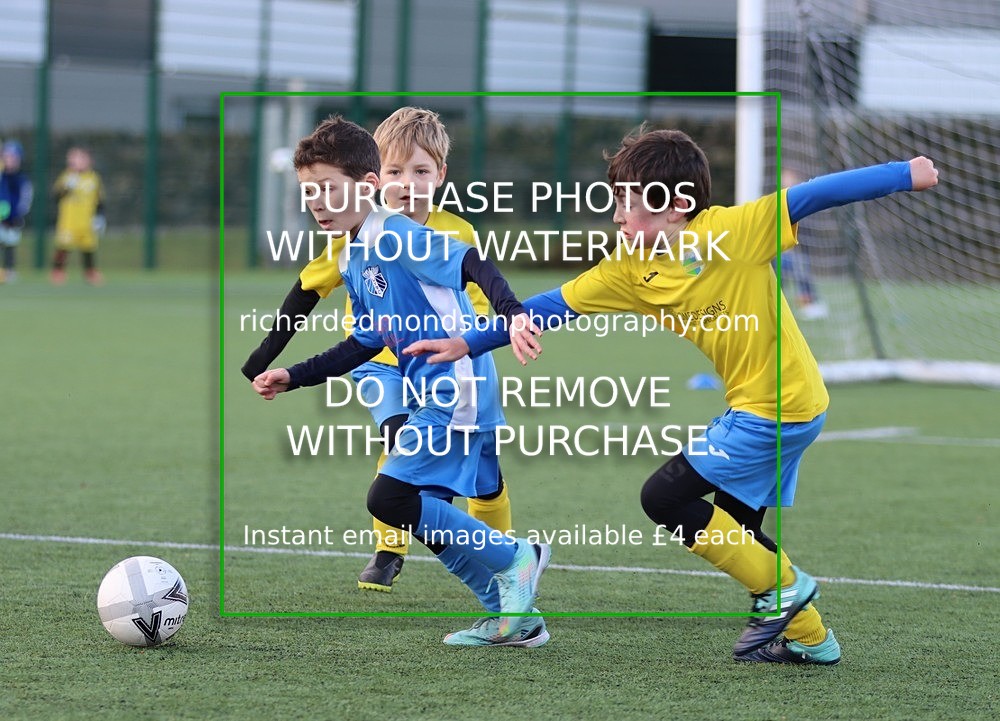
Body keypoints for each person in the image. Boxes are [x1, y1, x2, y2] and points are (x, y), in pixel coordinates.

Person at [406, 126, 939, 664]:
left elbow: (813, 194)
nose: (617, 215)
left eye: (629, 202)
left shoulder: (732, 231)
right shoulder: (630, 268)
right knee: (741, 533)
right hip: (781, 407)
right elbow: (549, 306)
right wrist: (468, 341)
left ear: (678, 205)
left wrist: (905, 174)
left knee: (663, 498)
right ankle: (812, 639)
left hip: (776, 409)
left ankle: (786, 590)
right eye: (615, 199)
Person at [250, 115, 550, 647]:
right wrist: (291, 375)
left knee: (389, 497)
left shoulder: (396, 233)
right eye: (308, 191)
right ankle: (513, 615)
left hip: (455, 388)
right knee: (415, 508)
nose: (316, 202)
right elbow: (363, 342)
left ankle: (516, 558)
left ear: (367, 186)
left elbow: (472, 263)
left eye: (328, 189)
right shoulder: (353, 253)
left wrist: (513, 313)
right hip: (437, 392)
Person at [51, 147, 105, 285]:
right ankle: (58, 272)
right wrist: (68, 185)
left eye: (81, 158)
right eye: (73, 158)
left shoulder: (93, 178)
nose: (76, 162)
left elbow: (100, 200)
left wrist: (99, 218)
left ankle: (90, 272)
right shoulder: (66, 176)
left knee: (88, 248)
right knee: (63, 247)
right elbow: (57, 195)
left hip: (86, 221)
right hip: (68, 221)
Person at [0, 141, 33, 283]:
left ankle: (9, 270)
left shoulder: (22, 179)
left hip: (13, 218)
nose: (9, 161)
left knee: (10, 242)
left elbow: (25, 198)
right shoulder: (1, 177)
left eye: (13, 158)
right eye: (6, 157)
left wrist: (18, 214)